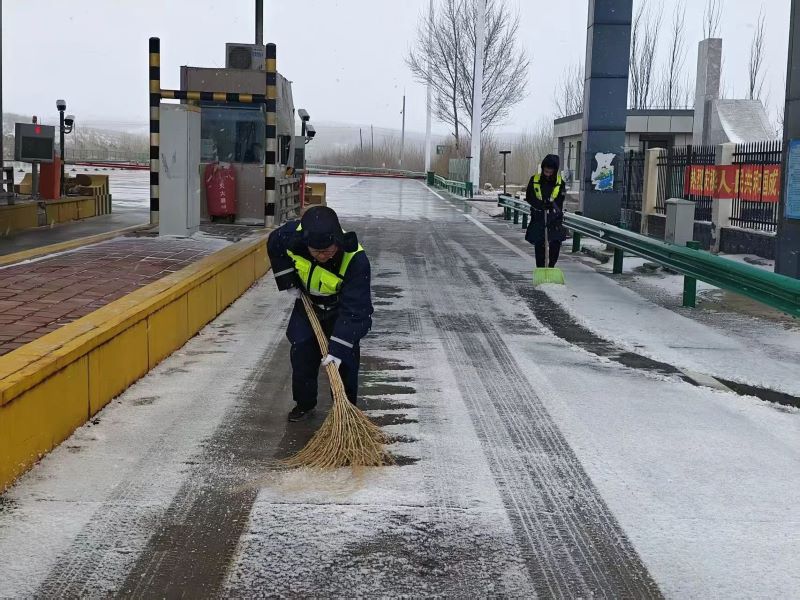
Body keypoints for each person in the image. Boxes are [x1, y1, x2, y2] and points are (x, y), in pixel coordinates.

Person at [267, 206, 373, 422]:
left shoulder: (355, 260)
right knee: (302, 352)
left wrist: (339, 346)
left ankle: (345, 409)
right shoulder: (291, 236)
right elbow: (274, 243)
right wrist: (288, 281)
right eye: (316, 251)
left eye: (328, 250)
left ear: (337, 241)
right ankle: (304, 404)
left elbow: (356, 310)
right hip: (308, 304)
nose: (323, 256)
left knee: (344, 360)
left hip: (340, 309)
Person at [524, 154, 567, 268]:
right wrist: (540, 205)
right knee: (539, 245)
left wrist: (552, 205)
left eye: (550, 172)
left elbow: (560, 199)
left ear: (555, 171)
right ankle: (541, 268)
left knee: (555, 244)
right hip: (539, 217)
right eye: (545, 171)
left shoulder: (560, 182)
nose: (547, 174)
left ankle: (551, 266)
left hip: (554, 219)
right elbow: (529, 197)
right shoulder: (534, 180)